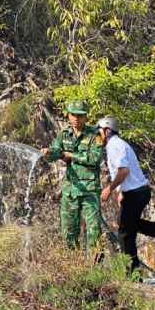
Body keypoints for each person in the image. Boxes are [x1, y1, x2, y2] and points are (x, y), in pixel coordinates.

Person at [98, 116, 155, 272]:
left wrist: (109, 189)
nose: (98, 136)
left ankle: (131, 272)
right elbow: (123, 171)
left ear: (107, 131)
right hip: (136, 192)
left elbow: (123, 171)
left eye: (99, 132)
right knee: (127, 225)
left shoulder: (114, 146)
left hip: (136, 193)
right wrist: (120, 192)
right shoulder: (116, 144)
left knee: (125, 233)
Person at [40, 100, 105, 249]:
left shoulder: (96, 135)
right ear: (68, 116)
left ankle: (96, 267)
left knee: (94, 231)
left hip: (89, 191)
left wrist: (71, 155)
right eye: (73, 115)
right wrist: (49, 153)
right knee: (69, 231)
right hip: (70, 190)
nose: (76, 118)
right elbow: (56, 152)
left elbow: (94, 159)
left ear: (86, 117)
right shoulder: (64, 134)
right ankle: (74, 265)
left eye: (80, 115)